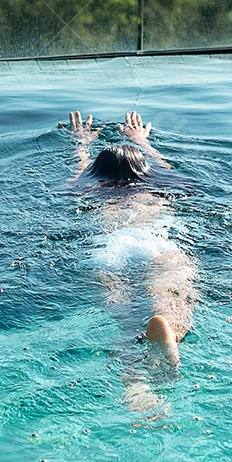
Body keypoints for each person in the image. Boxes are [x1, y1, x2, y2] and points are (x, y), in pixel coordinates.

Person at [59, 110, 197, 368]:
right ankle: (169, 335)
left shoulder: (89, 189)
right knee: (169, 298)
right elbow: (167, 168)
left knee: (125, 317)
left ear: (95, 172)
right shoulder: (160, 186)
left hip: (108, 252)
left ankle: (132, 366)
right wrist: (142, 141)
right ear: (144, 170)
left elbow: (79, 173)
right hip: (158, 248)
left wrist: (81, 142)